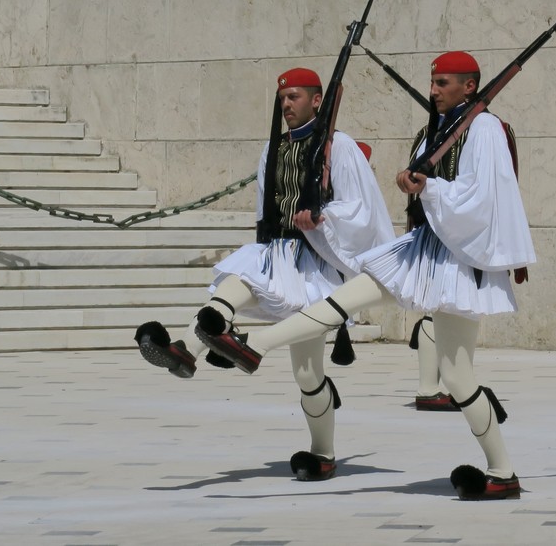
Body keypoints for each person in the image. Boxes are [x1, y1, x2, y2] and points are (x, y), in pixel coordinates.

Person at [197, 51, 535, 501]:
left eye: (444, 83)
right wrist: (413, 180)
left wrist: (427, 185)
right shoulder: (439, 128)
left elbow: (483, 197)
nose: (433, 90)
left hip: (458, 259)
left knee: (457, 378)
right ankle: (254, 347)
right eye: (433, 82)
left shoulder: (485, 128)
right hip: (422, 249)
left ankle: (502, 471)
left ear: (469, 86)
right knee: (344, 299)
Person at [133, 67, 394, 482]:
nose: (287, 104)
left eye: (295, 97)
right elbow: (263, 206)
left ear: (316, 99)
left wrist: (321, 217)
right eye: (283, 98)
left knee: (308, 374)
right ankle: (186, 350)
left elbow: (360, 208)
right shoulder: (273, 147)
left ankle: (322, 453)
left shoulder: (339, 147)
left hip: (318, 262)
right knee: (239, 275)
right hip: (278, 251)